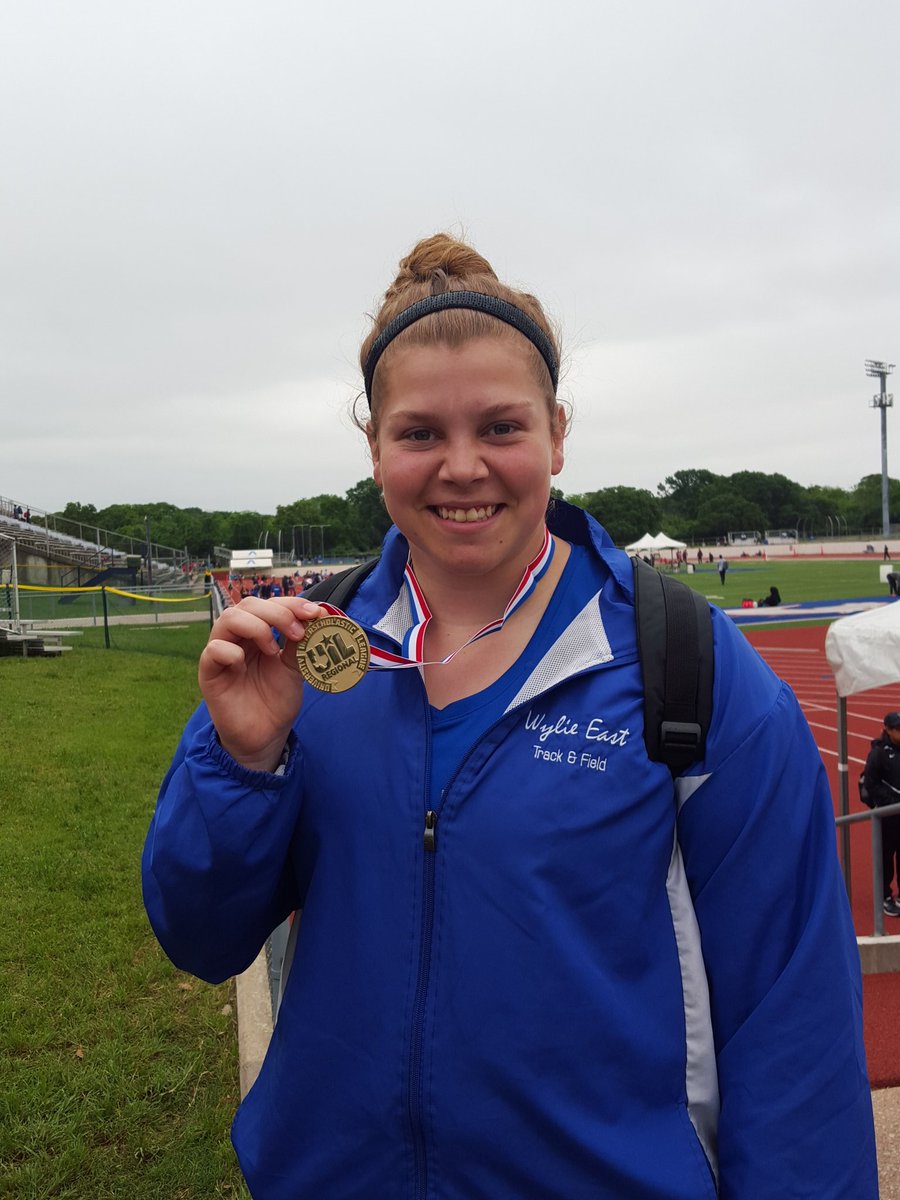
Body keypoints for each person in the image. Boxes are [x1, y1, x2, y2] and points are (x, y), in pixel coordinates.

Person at [142, 233, 876, 1199]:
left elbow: (794, 1023)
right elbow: (200, 939)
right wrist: (245, 761)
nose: (461, 467)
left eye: (500, 427)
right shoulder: (303, 658)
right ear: (373, 448)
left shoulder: (687, 668)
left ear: (558, 433)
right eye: (418, 434)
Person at [863, 712, 900, 919]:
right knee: (886, 857)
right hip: (887, 815)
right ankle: (885, 896)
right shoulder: (878, 753)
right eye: (898, 728)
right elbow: (871, 783)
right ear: (887, 729)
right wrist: (891, 803)